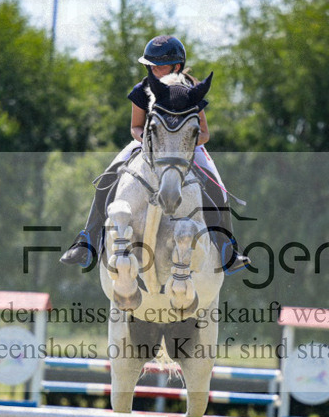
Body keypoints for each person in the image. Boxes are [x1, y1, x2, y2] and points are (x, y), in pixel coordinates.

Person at [60, 35, 249, 273]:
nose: (152, 69)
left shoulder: (191, 91)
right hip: (148, 143)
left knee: (218, 188)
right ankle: (87, 240)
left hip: (187, 149)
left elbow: (204, 134)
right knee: (108, 176)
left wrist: (181, 145)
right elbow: (135, 127)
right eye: (150, 65)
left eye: (158, 65)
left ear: (176, 66)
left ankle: (227, 250)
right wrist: (150, 141)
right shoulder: (142, 90)